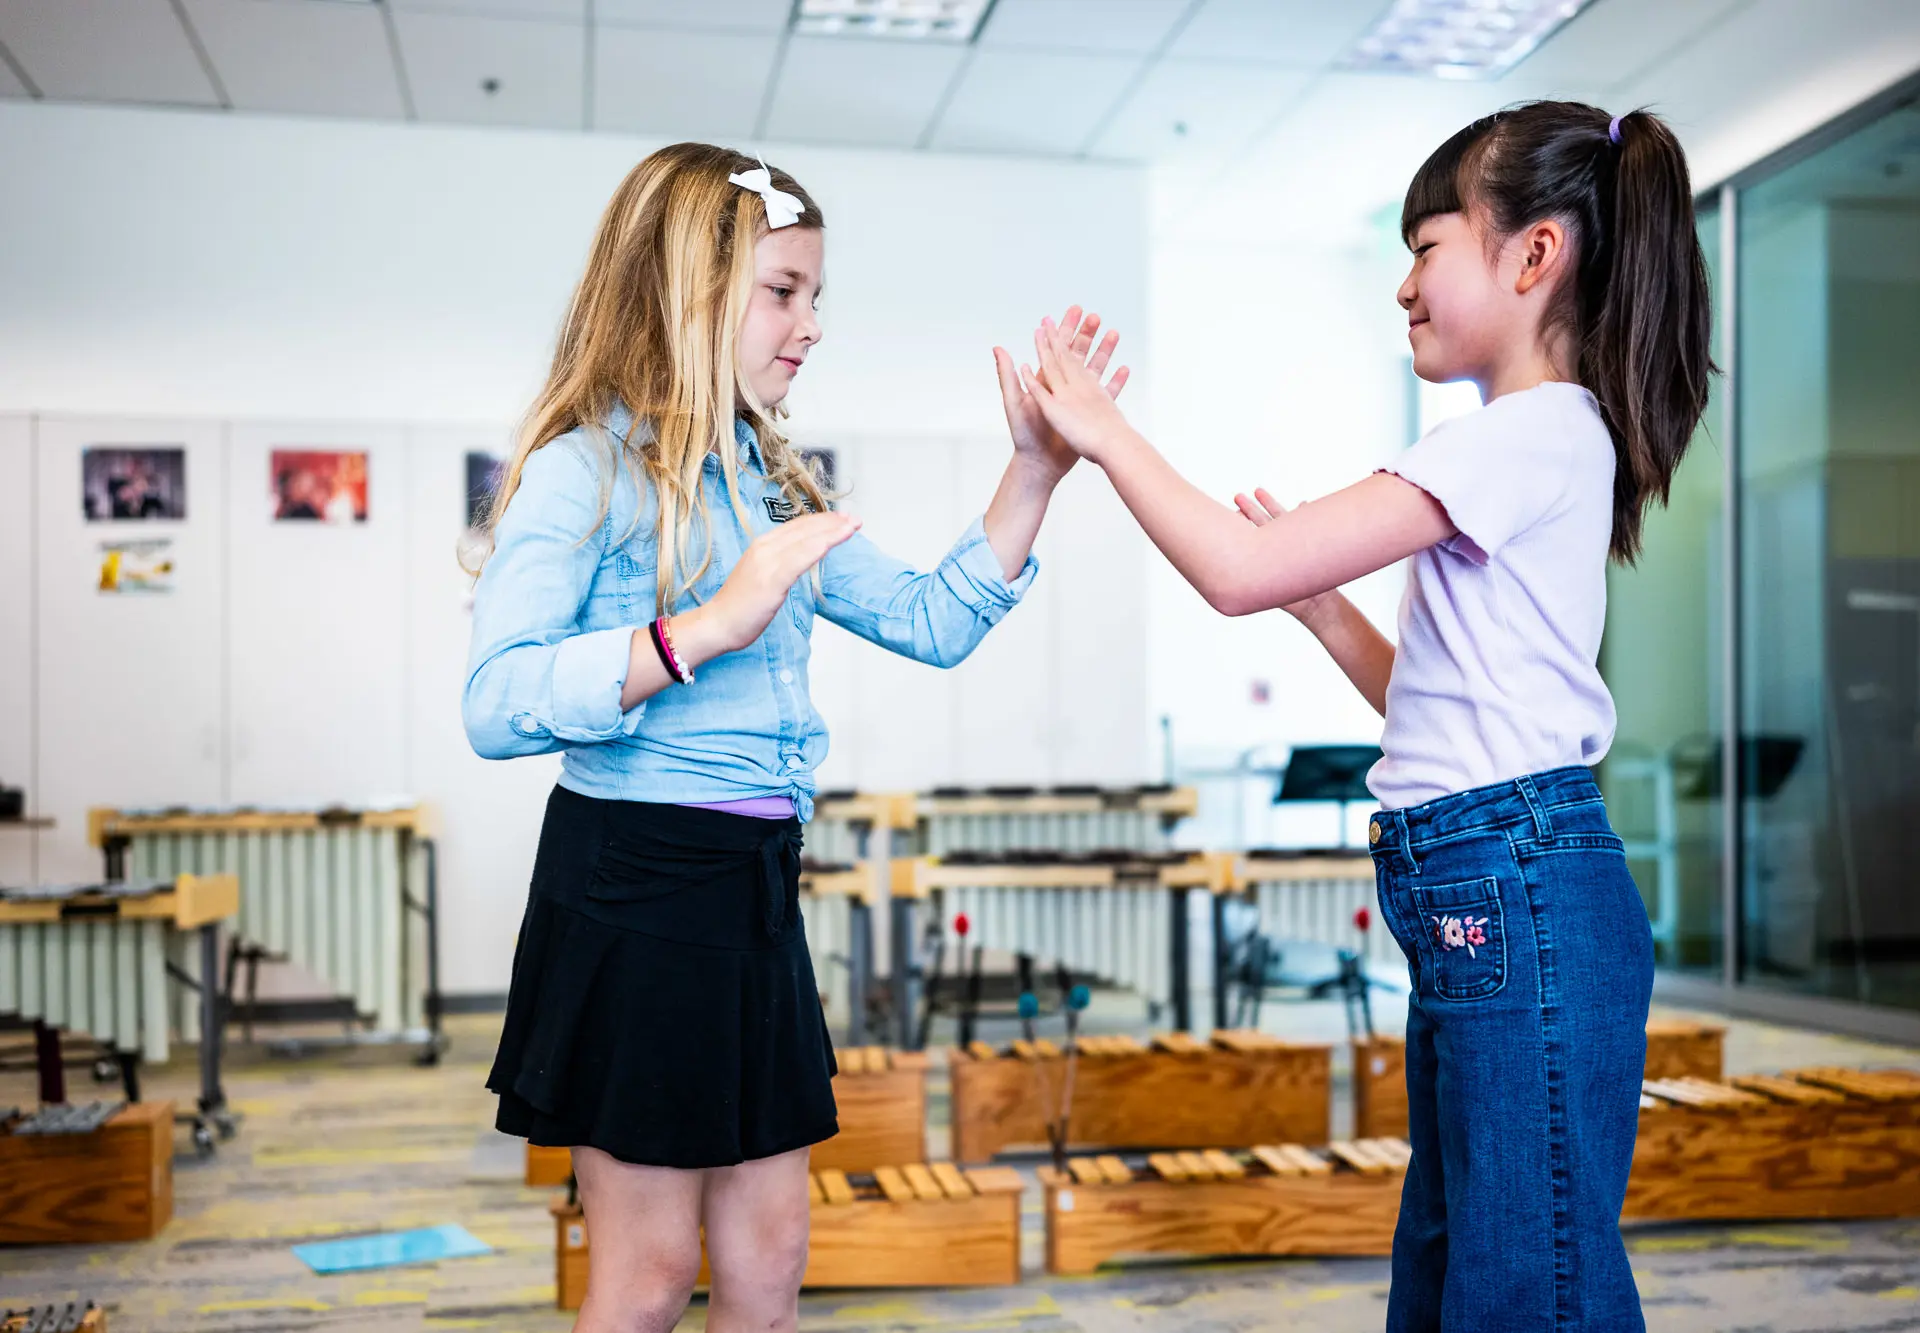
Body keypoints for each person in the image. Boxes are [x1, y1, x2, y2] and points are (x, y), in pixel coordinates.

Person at [1020, 101, 1712, 1332]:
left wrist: (1102, 431)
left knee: (1525, 1279)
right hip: (1491, 876)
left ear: (1532, 255)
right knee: (1459, 1262)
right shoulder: (1535, 443)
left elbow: (1235, 568)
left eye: (1425, 247)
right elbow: (1438, 709)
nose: (1402, 285)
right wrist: (1326, 614)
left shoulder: (1521, 434)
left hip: (1516, 881)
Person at [462, 142, 1122, 1333]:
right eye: (783, 291)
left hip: (754, 889)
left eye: (814, 295)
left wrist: (1033, 471)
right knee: (648, 1275)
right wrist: (706, 628)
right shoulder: (584, 471)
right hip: (633, 889)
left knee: (769, 1270)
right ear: (687, 290)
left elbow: (930, 619)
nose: (810, 324)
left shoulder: (767, 481)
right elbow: (496, 699)